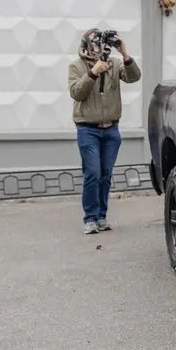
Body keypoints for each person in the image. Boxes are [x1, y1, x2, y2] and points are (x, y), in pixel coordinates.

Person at [67, 28, 141, 234]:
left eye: (103, 45)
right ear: (88, 46)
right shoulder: (76, 66)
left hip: (111, 130)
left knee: (105, 175)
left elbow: (134, 77)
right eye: (97, 45)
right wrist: (92, 73)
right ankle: (90, 218)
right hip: (87, 129)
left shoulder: (115, 64)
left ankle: (101, 217)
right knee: (92, 172)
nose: (101, 49)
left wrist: (125, 54)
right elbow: (76, 93)